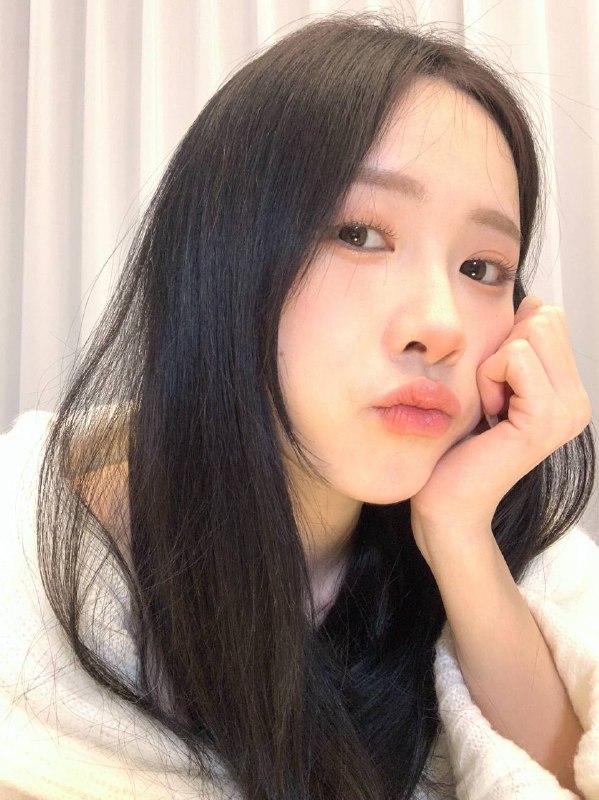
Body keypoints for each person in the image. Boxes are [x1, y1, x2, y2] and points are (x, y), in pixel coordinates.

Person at [1, 10, 598, 800]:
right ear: (224, 252)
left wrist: (457, 532)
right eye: (359, 233)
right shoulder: (23, 549)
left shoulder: (524, 559)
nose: (441, 326)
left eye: (481, 268)